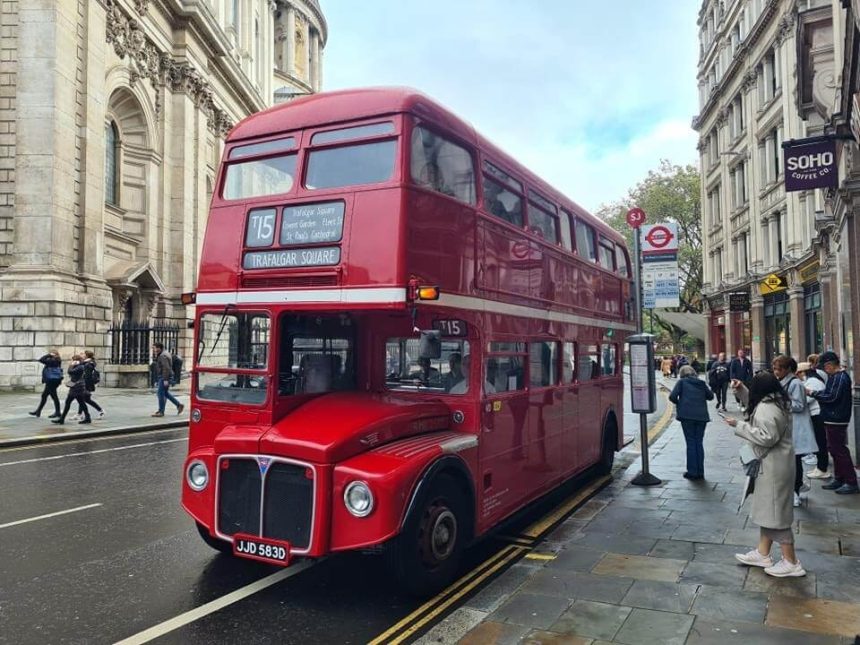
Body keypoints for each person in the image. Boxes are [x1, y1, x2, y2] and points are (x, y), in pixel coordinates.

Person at [727, 372, 805, 577]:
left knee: (776, 514)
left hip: (773, 467)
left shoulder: (767, 408)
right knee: (769, 510)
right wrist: (742, 390)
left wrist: (739, 426)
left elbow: (767, 436)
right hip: (778, 464)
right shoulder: (777, 401)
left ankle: (791, 562)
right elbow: (760, 410)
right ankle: (763, 553)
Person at [806, 351, 858, 494]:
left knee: (839, 450)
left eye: (824, 367)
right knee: (834, 449)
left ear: (829, 365)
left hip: (837, 419)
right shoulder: (836, 377)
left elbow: (831, 397)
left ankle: (851, 481)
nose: (823, 370)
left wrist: (812, 393)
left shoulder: (840, 378)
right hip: (831, 418)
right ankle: (839, 478)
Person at [772, 355, 818, 507]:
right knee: (791, 461)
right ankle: (795, 488)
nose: (776, 372)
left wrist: (781, 401)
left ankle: (796, 491)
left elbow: (799, 405)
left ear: (788, 369)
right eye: (775, 369)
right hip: (789, 426)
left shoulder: (795, 383)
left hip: (796, 427)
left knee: (795, 461)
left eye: (779, 369)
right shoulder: (783, 381)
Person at [669, 365, 714, 480]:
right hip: (701, 416)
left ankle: (692, 472)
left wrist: (680, 403)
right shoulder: (701, 383)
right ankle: (700, 471)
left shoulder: (681, 383)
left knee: (690, 443)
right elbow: (710, 397)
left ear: (682, 373)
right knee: (698, 442)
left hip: (687, 416)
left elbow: (672, 396)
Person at [797, 361, 829, 479]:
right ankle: (820, 467)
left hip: (818, 414)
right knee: (819, 441)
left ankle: (822, 468)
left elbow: (806, 399)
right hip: (816, 414)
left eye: (798, 373)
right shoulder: (811, 381)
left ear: (803, 372)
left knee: (821, 441)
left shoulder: (813, 382)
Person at [51, 354, 92, 425]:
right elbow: (73, 376)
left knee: (71, 402)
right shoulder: (79, 366)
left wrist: (71, 365)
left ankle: (62, 419)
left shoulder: (80, 367)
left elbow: (70, 371)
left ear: (77, 361)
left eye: (73, 360)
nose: (72, 361)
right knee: (80, 403)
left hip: (77, 388)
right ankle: (87, 417)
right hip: (76, 387)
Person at [151, 342, 184, 417]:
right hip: (165, 377)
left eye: (155, 348)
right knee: (165, 393)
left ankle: (161, 411)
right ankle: (179, 405)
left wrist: (165, 379)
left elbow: (166, 368)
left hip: (164, 377)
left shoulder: (163, 356)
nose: (154, 350)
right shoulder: (164, 354)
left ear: (159, 348)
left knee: (160, 394)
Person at [29, 350, 64, 418]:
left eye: (52, 353)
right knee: (44, 395)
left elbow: (41, 360)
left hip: (51, 381)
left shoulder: (53, 360)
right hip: (53, 381)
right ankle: (38, 411)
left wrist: (48, 355)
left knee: (54, 396)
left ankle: (58, 412)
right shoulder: (57, 360)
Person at [76, 350, 105, 420]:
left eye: (83, 354)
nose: (81, 355)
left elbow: (87, 376)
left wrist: (84, 385)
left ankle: (80, 414)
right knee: (85, 399)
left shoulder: (88, 364)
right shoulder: (87, 362)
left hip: (86, 384)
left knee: (83, 399)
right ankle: (100, 411)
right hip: (86, 384)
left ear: (86, 355)